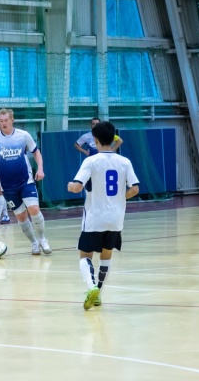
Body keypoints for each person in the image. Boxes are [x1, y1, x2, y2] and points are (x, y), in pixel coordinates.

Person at [67, 121, 139, 310]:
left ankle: (91, 287)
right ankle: (99, 292)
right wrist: (119, 198)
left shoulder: (91, 161)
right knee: (106, 255)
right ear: (113, 138)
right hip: (116, 218)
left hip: (95, 217)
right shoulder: (124, 161)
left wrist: (70, 186)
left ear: (95, 139)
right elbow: (135, 189)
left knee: (85, 255)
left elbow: (77, 187)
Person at [0, 108, 51, 255]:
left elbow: (36, 152)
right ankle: (34, 243)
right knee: (21, 216)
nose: (4, 123)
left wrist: (40, 169)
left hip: (25, 181)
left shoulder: (23, 135)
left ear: (12, 120)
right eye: (1, 121)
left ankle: (42, 239)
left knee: (34, 209)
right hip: (7, 186)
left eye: (6, 120)